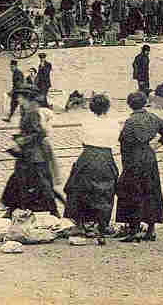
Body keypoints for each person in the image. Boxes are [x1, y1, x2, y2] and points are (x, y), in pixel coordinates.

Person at [116, 91, 163, 242]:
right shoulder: (153, 117)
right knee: (151, 191)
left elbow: (124, 142)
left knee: (133, 192)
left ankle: (134, 230)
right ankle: (151, 229)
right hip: (149, 157)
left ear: (129, 105)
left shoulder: (131, 122)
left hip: (134, 159)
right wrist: (157, 145)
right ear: (145, 102)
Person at [63, 94, 120, 239]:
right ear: (107, 108)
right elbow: (115, 141)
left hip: (87, 156)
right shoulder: (114, 123)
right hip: (106, 157)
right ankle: (102, 224)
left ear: (91, 107)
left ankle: (81, 224)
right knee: (105, 191)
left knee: (78, 188)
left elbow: (83, 140)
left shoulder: (86, 122)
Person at [1, 84, 59, 217]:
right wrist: (19, 137)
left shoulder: (32, 112)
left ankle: (52, 211)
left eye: (20, 97)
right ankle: (12, 209)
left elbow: (39, 133)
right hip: (29, 154)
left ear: (27, 97)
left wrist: (22, 140)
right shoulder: (28, 109)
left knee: (39, 184)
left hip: (34, 155)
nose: (18, 99)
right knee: (19, 181)